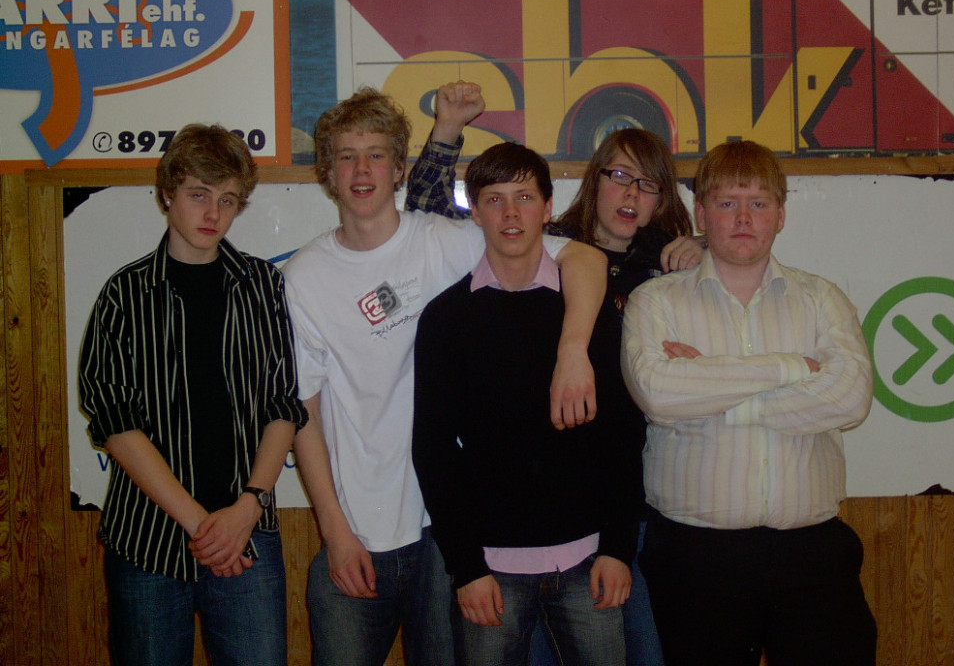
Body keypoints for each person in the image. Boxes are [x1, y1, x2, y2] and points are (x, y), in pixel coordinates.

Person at [282, 84, 607, 666]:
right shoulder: (304, 275)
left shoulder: (448, 240)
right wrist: (333, 529)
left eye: (377, 154)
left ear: (399, 169)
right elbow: (302, 412)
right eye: (347, 156)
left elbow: (582, 257)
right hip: (356, 529)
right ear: (328, 172)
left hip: (444, 531)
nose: (362, 170)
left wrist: (575, 348)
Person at [409, 121, 703, 666]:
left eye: (525, 198)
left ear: (548, 208)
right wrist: (466, 567)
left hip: (588, 561)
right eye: (494, 200)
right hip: (490, 569)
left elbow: (621, 435)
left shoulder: (589, 310)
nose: (511, 213)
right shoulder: (445, 319)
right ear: (476, 213)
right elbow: (433, 450)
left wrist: (616, 549)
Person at [621, 140, 877, 666]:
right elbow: (658, 393)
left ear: (780, 216)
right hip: (695, 561)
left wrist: (712, 393)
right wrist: (791, 368)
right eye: (727, 203)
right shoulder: (656, 301)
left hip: (812, 558)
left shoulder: (822, 299)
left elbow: (851, 398)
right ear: (701, 214)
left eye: (758, 203)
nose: (743, 218)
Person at [78, 124, 308, 666]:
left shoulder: (263, 286)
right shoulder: (124, 295)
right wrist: (204, 526)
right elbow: (115, 424)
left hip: (247, 533)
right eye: (199, 194)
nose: (213, 214)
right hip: (148, 542)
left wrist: (246, 508)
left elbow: (283, 405)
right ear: (167, 193)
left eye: (227, 200)